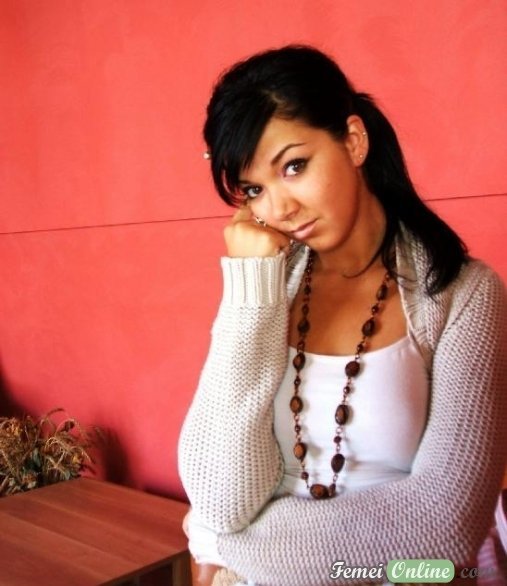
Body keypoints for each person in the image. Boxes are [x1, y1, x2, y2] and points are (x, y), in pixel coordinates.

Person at [178, 45, 507, 586]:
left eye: (294, 166)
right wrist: (248, 290)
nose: (279, 209)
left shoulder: (464, 295)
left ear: (354, 140)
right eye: (255, 189)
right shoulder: (267, 288)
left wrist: (227, 545)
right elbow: (220, 497)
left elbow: (442, 534)